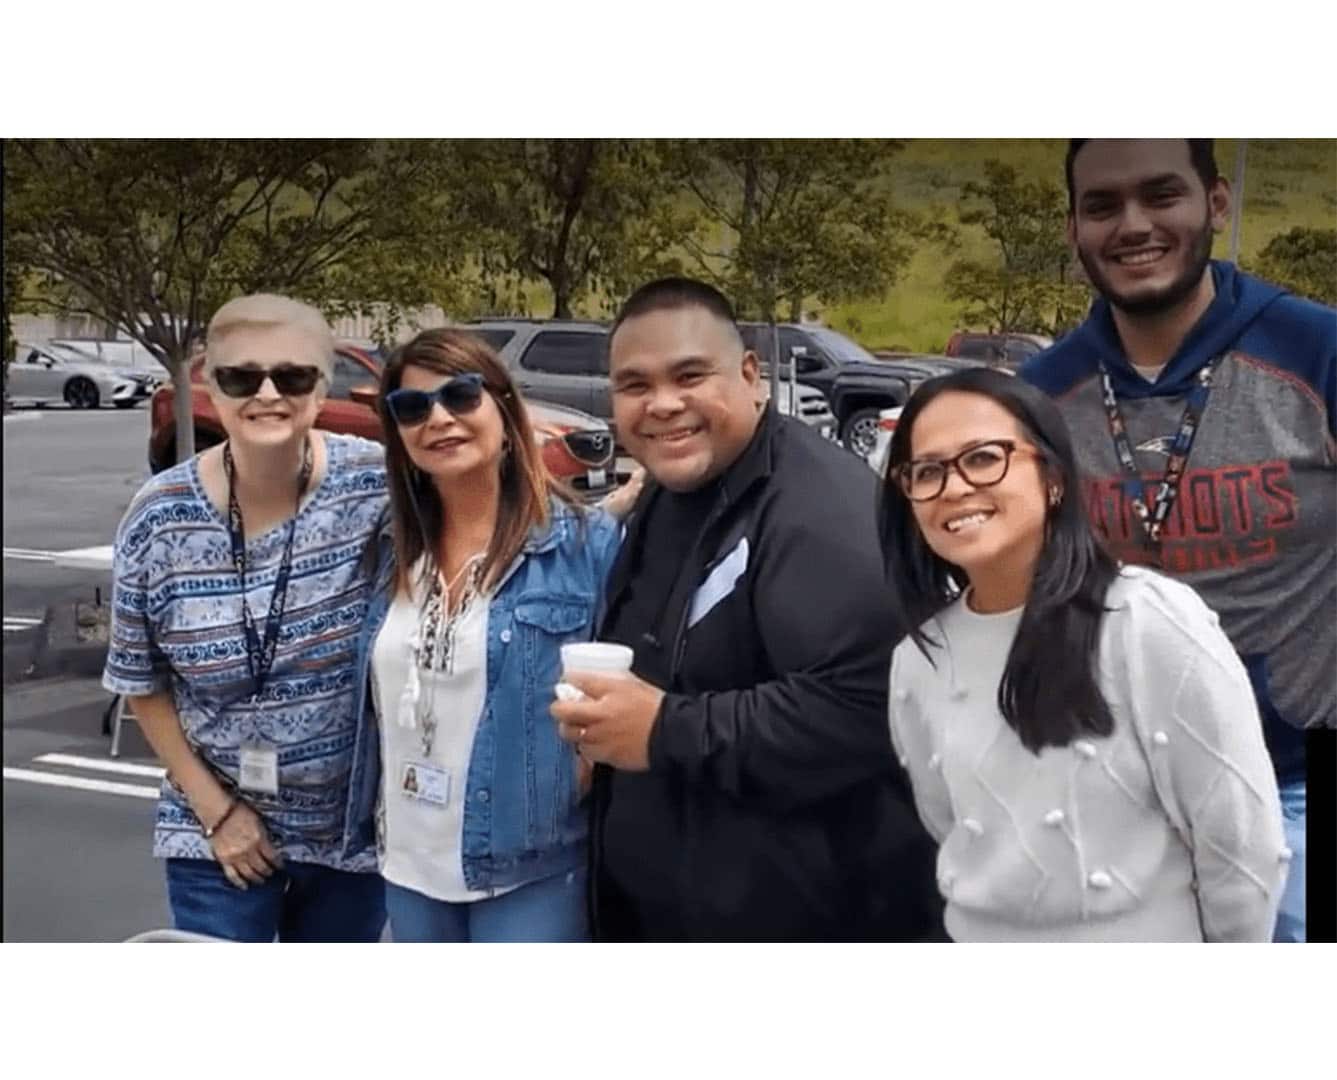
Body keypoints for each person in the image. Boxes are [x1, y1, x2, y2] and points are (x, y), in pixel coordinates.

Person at [550, 277, 942, 942]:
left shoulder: (820, 513)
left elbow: (865, 707)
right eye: (635, 385)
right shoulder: (670, 491)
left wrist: (663, 730)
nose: (662, 404)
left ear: (752, 376)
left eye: (689, 376)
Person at [1021, 139, 1336, 942]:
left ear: (1215, 204)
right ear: (1073, 229)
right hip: (1122, 793)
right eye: (1101, 206)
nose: (1132, 225)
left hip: (1292, 785)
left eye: (1161, 195)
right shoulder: (1039, 396)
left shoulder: (1316, 353)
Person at [882, 366, 1288, 941]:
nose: (954, 487)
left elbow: (1242, 849)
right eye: (927, 471)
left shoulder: (1145, 621)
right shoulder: (918, 660)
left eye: (983, 458)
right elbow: (949, 828)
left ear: (1053, 478)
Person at [103, 294, 388, 942]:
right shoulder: (159, 518)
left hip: (350, 833)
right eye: (241, 377)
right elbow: (140, 680)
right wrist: (217, 813)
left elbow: (495, 504)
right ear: (210, 385)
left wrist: (613, 512)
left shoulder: (376, 486)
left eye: (292, 377)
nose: (267, 394)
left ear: (322, 388)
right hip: (213, 825)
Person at [356, 328, 623, 943]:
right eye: (412, 407)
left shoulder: (585, 545)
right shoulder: (388, 548)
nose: (438, 418)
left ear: (504, 409)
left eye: (461, 395)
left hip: (530, 866)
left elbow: (629, 684)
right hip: (407, 860)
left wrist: (576, 772)